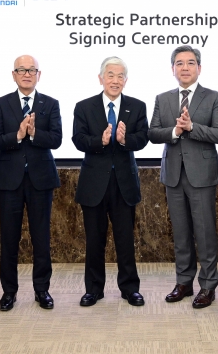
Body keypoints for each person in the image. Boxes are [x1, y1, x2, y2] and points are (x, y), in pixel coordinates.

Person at [148, 45, 218, 309]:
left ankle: (208, 286)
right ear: (172, 69)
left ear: (199, 68)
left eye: (190, 63)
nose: (185, 67)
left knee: (205, 233)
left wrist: (192, 128)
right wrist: (175, 131)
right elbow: (154, 133)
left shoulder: (214, 97)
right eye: (179, 63)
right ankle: (183, 282)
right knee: (181, 233)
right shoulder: (163, 97)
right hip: (173, 174)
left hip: (202, 176)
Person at [0, 55, 62, 311]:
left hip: (41, 180)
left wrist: (34, 133)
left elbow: (56, 139)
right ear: (14, 74)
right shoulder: (1, 104)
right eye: (22, 70)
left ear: (39, 75)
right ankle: (9, 292)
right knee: (9, 238)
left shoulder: (50, 104)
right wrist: (18, 135)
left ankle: (42, 290)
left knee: (41, 237)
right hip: (10, 181)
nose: (27, 74)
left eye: (32, 70)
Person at [72, 56, 149, 307]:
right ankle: (93, 289)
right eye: (111, 75)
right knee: (95, 240)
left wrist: (125, 140)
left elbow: (143, 138)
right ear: (101, 78)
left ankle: (129, 289)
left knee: (125, 240)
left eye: (120, 76)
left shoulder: (137, 106)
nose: (115, 80)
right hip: (94, 184)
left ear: (125, 81)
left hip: (124, 183)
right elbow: (78, 139)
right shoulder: (84, 107)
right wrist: (101, 141)